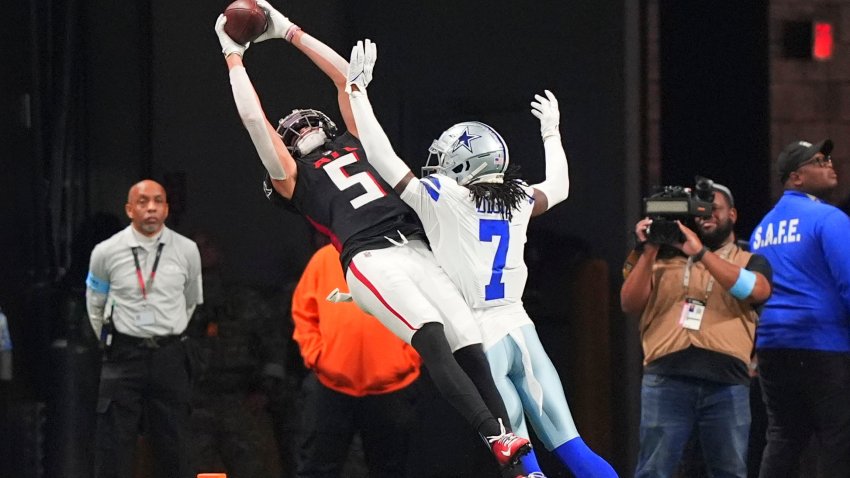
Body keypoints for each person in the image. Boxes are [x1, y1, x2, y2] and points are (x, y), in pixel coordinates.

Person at [212, 2, 531, 471]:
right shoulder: (294, 178)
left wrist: (289, 31)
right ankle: (495, 436)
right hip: (370, 259)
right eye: (292, 128)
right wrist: (233, 57)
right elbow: (256, 122)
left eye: (306, 120)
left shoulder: (355, 141)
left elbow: (348, 81)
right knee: (435, 340)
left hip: (415, 245)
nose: (300, 126)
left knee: (470, 343)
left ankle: (509, 445)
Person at [343, 40, 618, 478]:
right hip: (521, 329)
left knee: (523, 465)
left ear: (465, 164)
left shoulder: (443, 197)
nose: (436, 166)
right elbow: (561, 186)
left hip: (476, 339)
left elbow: (379, 155)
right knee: (575, 450)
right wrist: (552, 132)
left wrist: (357, 92)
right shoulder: (521, 197)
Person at [620, 181, 772, 478]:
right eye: (700, 211)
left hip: (726, 382)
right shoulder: (659, 259)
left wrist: (700, 252)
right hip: (666, 378)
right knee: (654, 470)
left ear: (733, 215)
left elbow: (758, 291)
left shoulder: (749, 260)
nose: (708, 216)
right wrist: (649, 247)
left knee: (729, 471)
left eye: (715, 209)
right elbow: (629, 303)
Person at [84, 179, 203, 478]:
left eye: (158, 201)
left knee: (174, 441)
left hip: (169, 353)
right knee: (114, 442)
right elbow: (94, 303)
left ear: (166, 208)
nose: (151, 208)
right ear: (129, 209)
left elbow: (190, 302)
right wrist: (110, 340)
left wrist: (168, 329)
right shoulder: (106, 252)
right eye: (142, 201)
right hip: (124, 353)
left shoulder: (187, 251)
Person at [749, 139, 850, 478]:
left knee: (784, 438)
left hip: (773, 347)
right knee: (838, 438)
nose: (829, 164)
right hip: (823, 344)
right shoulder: (828, 218)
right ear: (796, 177)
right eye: (819, 161)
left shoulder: (762, 228)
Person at [291, 242, 421, 477]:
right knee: (316, 468)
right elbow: (304, 311)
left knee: (391, 470)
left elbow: (426, 314)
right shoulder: (325, 259)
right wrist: (317, 356)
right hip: (329, 385)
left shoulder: (404, 260)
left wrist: (407, 359)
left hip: (392, 387)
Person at [186, 233, 285, 478]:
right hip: (195, 402)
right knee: (198, 469)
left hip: (241, 400)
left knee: (251, 467)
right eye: (194, 247)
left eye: (206, 245)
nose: (201, 253)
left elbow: (273, 345)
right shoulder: (174, 303)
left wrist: (265, 390)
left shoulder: (244, 300)